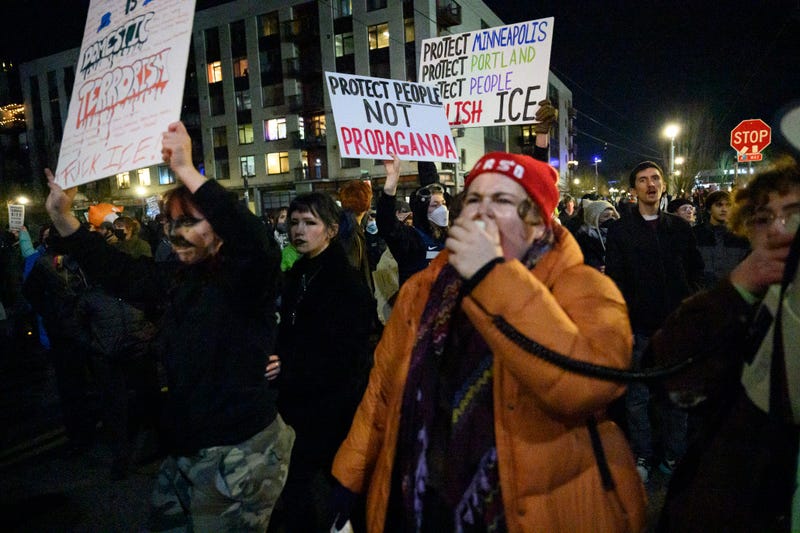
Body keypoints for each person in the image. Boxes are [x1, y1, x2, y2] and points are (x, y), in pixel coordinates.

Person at [330, 152, 646, 532]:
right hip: (425, 501)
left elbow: (587, 386)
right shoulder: (424, 289)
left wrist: (493, 276)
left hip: (526, 508)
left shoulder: (584, 286)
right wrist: (350, 479)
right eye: (475, 199)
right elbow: (383, 393)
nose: (482, 211)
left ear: (537, 220)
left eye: (501, 200)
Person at [43, 121, 293, 531]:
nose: (176, 233)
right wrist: (64, 218)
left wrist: (188, 172)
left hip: (237, 453)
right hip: (186, 448)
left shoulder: (248, 279)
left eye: (190, 223)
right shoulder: (177, 278)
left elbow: (255, 241)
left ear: (220, 233)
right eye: (170, 223)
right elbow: (117, 270)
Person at [649, 155, 800, 532]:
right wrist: (735, 290)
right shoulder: (743, 299)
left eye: (794, 214)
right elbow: (669, 374)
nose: (778, 231)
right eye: (763, 219)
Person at [272, 192, 373, 532]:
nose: (298, 230)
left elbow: (347, 354)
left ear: (330, 230)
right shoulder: (298, 273)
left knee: (338, 486)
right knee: (295, 487)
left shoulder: (345, 282)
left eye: (309, 223)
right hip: (296, 403)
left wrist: (292, 367)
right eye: (294, 222)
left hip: (332, 408)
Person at [605, 161, 704, 483]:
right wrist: (625, 325)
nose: (650, 184)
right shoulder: (621, 231)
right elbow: (616, 281)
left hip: (676, 328)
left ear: (663, 185)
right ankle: (643, 456)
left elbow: (694, 271)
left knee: (677, 396)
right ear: (633, 189)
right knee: (638, 398)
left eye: (655, 178)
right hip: (639, 328)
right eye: (643, 180)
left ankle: (674, 455)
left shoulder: (679, 228)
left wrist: (688, 307)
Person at [693, 190, 750, 287]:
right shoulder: (695, 234)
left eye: (728, 205)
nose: (724, 209)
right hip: (702, 293)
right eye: (719, 205)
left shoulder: (741, 236)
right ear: (709, 209)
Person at [574, 199, 620, 272]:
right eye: (606, 216)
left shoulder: (618, 234)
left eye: (612, 215)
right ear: (593, 218)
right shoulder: (585, 238)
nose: (611, 219)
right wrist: (598, 267)